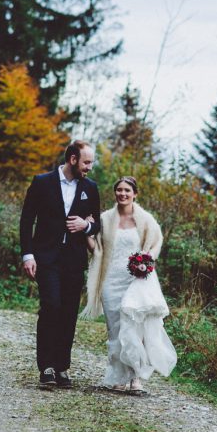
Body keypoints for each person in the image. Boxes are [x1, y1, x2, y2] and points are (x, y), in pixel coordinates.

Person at [82, 176, 176, 393]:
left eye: (127, 190)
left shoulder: (145, 220)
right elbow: (97, 249)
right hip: (110, 279)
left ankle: (136, 377)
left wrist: (146, 261)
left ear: (135, 194)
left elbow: (156, 243)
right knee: (115, 328)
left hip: (135, 280)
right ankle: (118, 376)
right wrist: (86, 230)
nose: (122, 194)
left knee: (134, 328)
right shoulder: (105, 219)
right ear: (115, 193)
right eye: (119, 190)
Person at [20, 140, 102, 389]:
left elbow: (97, 224)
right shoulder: (42, 182)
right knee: (51, 306)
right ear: (73, 159)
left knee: (68, 312)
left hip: (74, 260)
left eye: (91, 162)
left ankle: (62, 367)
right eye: (86, 162)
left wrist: (85, 226)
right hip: (46, 258)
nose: (89, 167)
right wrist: (27, 255)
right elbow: (26, 220)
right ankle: (46, 367)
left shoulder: (90, 187)